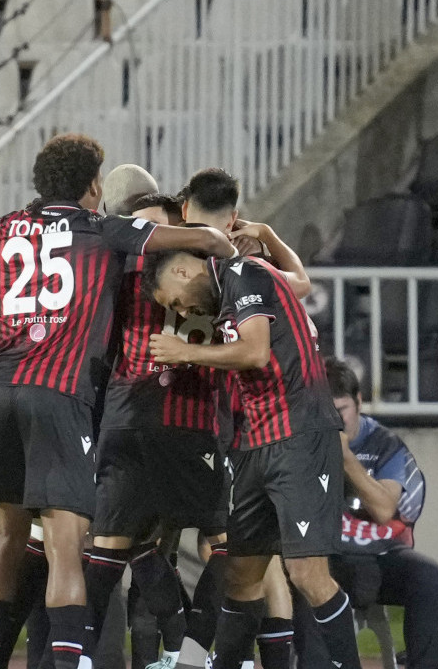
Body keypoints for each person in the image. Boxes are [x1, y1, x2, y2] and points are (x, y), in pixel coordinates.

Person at [0, 134, 236, 669]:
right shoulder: (104, 230)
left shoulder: (0, 230)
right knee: (68, 549)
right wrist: (229, 242)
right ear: (94, 186)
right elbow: (209, 243)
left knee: (6, 541)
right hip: (59, 393)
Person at [140, 245, 361, 669]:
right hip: (258, 443)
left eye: (173, 299)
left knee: (307, 574)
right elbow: (299, 281)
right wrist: (267, 233)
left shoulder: (242, 271)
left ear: (184, 271)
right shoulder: (233, 291)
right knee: (241, 576)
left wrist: (185, 351)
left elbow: (256, 351)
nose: (180, 311)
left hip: (300, 436)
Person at [82, 190, 234, 669]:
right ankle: (191, 652)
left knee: (123, 547)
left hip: (140, 420)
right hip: (173, 424)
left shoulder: (131, 274)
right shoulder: (210, 272)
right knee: (227, 545)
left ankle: (87, 657)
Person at [296, 358, 438, 669]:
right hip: (327, 557)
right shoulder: (301, 442)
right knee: (306, 580)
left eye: (341, 411)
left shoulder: (384, 444)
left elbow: (383, 509)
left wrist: (347, 459)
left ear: (359, 402)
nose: (334, 421)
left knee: (428, 576)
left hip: (379, 554)